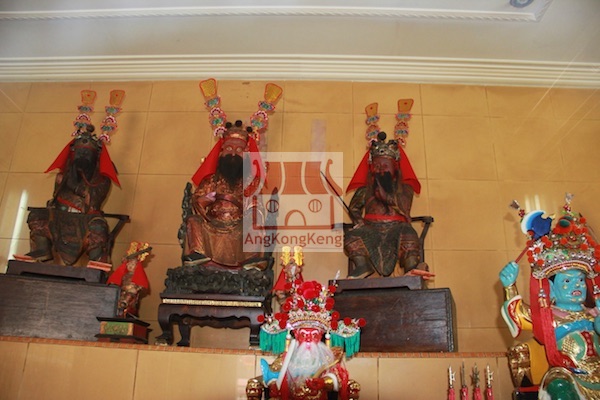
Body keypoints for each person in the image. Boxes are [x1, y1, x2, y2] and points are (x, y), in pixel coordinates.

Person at [499, 197, 600, 399]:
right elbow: (519, 316)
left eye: (580, 280)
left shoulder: (593, 312)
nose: (577, 285)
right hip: (567, 375)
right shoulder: (548, 316)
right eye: (567, 281)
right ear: (551, 288)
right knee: (560, 389)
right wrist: (510, 286)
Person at [182, 79, 282, 268]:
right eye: (229, 149)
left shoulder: (249, 180)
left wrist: (250, 210)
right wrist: (209, 198)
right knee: (193, 220)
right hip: (212, 224)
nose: (234, 153)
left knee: (253, 220)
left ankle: (252, 259)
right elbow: (197, 201)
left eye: (239, 150)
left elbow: (256, 206)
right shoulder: (212, 179)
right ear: (221, 152)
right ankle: (198, 254)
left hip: (238, 226)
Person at [251, 276, 363, 400]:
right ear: (296, 335)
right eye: (304, 335)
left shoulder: (326, 359)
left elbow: (338, 378)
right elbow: (272, 374)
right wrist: (273, 384)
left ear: (320, 335)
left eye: (314, 335)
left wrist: (324, 383)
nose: (308, 339)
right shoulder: (287, 358)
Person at [107, 241, 151, 317]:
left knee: (128, 297)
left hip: (131, 295)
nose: (130, 266)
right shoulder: (124, 275)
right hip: (122, 293)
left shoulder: (137, 276)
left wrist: (134, 290)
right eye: (129, 263)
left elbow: (140, 287)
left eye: (133, 264)